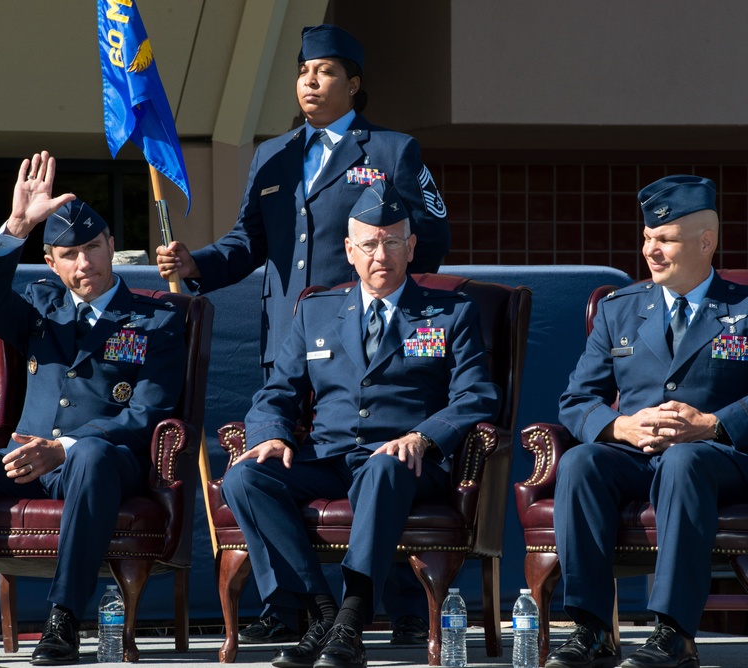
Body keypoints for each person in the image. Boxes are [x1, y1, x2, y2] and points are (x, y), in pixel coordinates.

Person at [157, 22, 446, 645]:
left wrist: (377, 306)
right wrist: (195, 264)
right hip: (291, 346)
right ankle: (292, 605)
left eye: (324, 72)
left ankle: (394, 603)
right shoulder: (274, 156)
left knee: (375, 456)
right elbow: (248, 243)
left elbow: (431, 243)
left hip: (368, 347)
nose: (309, 83)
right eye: (303, 73)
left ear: (354, 83)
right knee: (272, 464)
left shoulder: (392, 151)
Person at [0, 151, 187, 666]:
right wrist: (18, 224)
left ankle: (63, 620)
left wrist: (64, 448)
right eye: (70, 254)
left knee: (91, 457)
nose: (85, 263)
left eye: (94, 247)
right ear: (52, 263)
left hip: (100, 462)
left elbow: (148, 412)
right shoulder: (39, 306)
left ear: (110, 246)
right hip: (20, 459)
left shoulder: (157, 319)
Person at [221, 181, 499, 668]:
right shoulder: (316, 311)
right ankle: (323, 612)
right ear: (350, 251)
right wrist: (272, 434)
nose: (381, 254)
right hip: (329, 458)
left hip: (408, 465)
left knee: (383, 467)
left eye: (392, 241)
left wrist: (421, 437)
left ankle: (352, 616)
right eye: (369, 243)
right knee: (246, 476)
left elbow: (476, 396)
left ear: (411, 247)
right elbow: (276, 392)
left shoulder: (451, 313)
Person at [546, 175, 748, 668]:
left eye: (666, 240)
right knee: (582, 462)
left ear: (705, 242)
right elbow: (576, 398)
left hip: (719, 459)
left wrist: (711, 424)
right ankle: (590, 629)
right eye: (647, 238)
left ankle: (674, 635)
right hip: (636, 455)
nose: (652, 250)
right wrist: (619, 427)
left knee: (685, 462)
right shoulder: (618, 310)